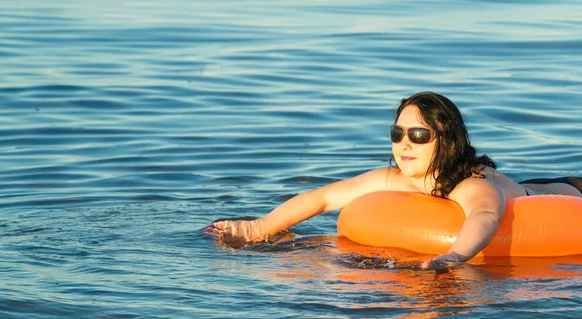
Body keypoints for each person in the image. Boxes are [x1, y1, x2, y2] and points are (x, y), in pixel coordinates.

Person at [206, 91, 582, 269]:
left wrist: (454, 255)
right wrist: (257, 228)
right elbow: (321, 199)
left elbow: (484, 216)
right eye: (397, 133)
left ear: (446, 140)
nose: (405, 144)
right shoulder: (394, 178)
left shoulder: (471, 182)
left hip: (564, 192)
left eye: (418, 136)